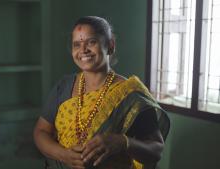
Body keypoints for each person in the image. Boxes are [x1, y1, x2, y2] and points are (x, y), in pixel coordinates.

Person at [33, 16, 170, 169]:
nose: (83, 50)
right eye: (77, 44)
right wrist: (63, 154)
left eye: (91, 42)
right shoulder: (63, 86)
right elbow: (41, 132)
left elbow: (156, 150)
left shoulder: (130, 95)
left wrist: (123, 142)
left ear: (110, 46)